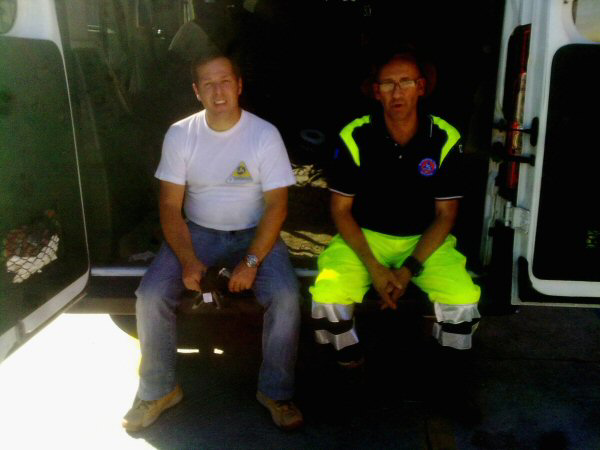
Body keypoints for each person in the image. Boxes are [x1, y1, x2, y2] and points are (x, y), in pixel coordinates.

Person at [122, 52, 303, 432]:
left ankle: (276, 392)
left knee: (286, 296)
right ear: (196, 91)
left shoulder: (264, 134)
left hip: (255, 232)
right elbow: (170, 206)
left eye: (225, 82)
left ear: (239, 86)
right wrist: (188, 259)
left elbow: (277, 207)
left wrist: (251, 262)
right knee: (150, 295)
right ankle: (158, 390)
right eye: (208, 84)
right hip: (199, 231)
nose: (218, 91)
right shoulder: (181, 134)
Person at [310, 48, 481, 369]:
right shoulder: (355, 135)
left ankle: (447, 365)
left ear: (421, 87)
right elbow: (341, 210)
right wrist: (375, 268)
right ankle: (347, 359)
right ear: (377, 92)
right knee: (328, 293)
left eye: (406, 82)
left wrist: (408, 270)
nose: (397, 92)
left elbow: (446, 214)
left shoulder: (444, 137)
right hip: (367, 236)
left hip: (423, 239)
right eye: (388, 84)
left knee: (462, 297)